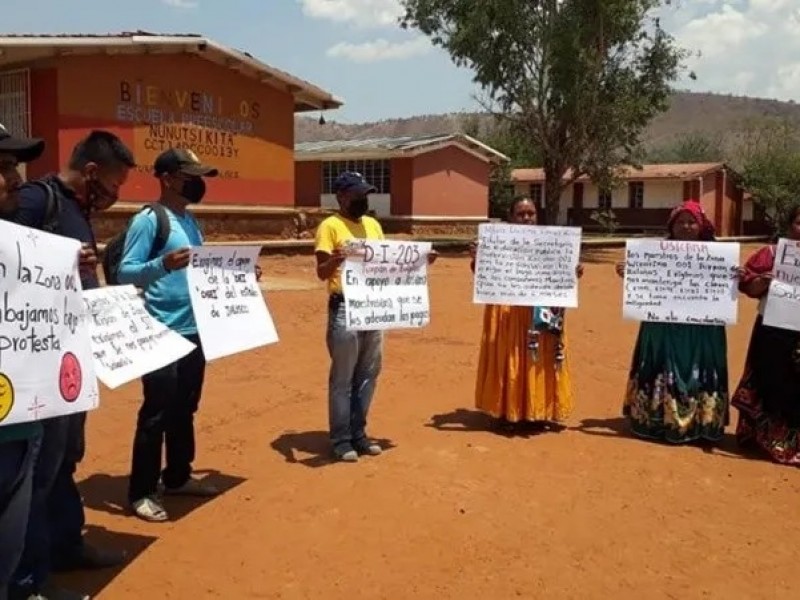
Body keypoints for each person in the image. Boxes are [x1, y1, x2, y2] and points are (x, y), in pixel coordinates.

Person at [10, 130, 134, 600]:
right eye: (115, 184)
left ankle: (66, 544)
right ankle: (28, 580)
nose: (116, 195)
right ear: (91, 173)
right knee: (35, 473)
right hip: (33, 367)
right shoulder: (33, 202)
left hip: (70, 362)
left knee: (65, 459)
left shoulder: (78, 210)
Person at [118, 148, 220, 522]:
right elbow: (126, 272)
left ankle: (177, 476)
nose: (197, 183)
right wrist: (163, 263)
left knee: (185, 408)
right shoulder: (149, 220)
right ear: (167, 178)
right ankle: (141, 491)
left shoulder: (190, 222)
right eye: (189, 175)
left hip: (195, 329)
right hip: (160, 329)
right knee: (156, 412)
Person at [314, 171, 437, 462]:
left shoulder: (372, 225)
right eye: (357, 195)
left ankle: (359, 433)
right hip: (345, 307)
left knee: (368, 375)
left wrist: (420, 261)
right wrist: (336, 260)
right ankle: (341, 439)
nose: (363, 200)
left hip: (375, 307)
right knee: (343, 378)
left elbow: (388, 262)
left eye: (365, 195)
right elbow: (321, 272)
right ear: (341, 196)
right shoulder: (329, 227)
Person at [617, 200, 734, 444]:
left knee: (699, 366)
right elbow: (644, 282)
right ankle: (655, 418)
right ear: (671, 226)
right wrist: (630, 271)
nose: (686, 227)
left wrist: (735, 276)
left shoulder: (717, 255)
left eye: (692, 222)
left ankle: (701, 421)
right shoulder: (657, 252)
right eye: (680, 222)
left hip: (703, 329)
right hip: (662, 326)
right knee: (661, 362)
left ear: (701, 225)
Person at [470, 197, 582, 431]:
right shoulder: (497, 242)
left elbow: (564, 275)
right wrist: (478, 258)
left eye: (530, 213)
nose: (526, 218)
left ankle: (537, 410)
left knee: (539, 359)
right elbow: (480, 274)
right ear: (511, 217)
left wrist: (573, 271)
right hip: (506, 312)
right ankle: (505, 410)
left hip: (540, 311)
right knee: (507, 356)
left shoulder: (551, 243)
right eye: (520, 214)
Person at [0, 124, 45, 600]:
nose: (15, 178)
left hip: (21, 427)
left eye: (14, 166)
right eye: (3, 168)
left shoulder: (23, 247)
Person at [732, 205, 800, 466]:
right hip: (773, 330)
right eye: (799, 223)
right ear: (789, 225)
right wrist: (764, 281)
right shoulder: (771, 254)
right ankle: (767, 439)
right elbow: (747, 285)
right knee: (770, 380)